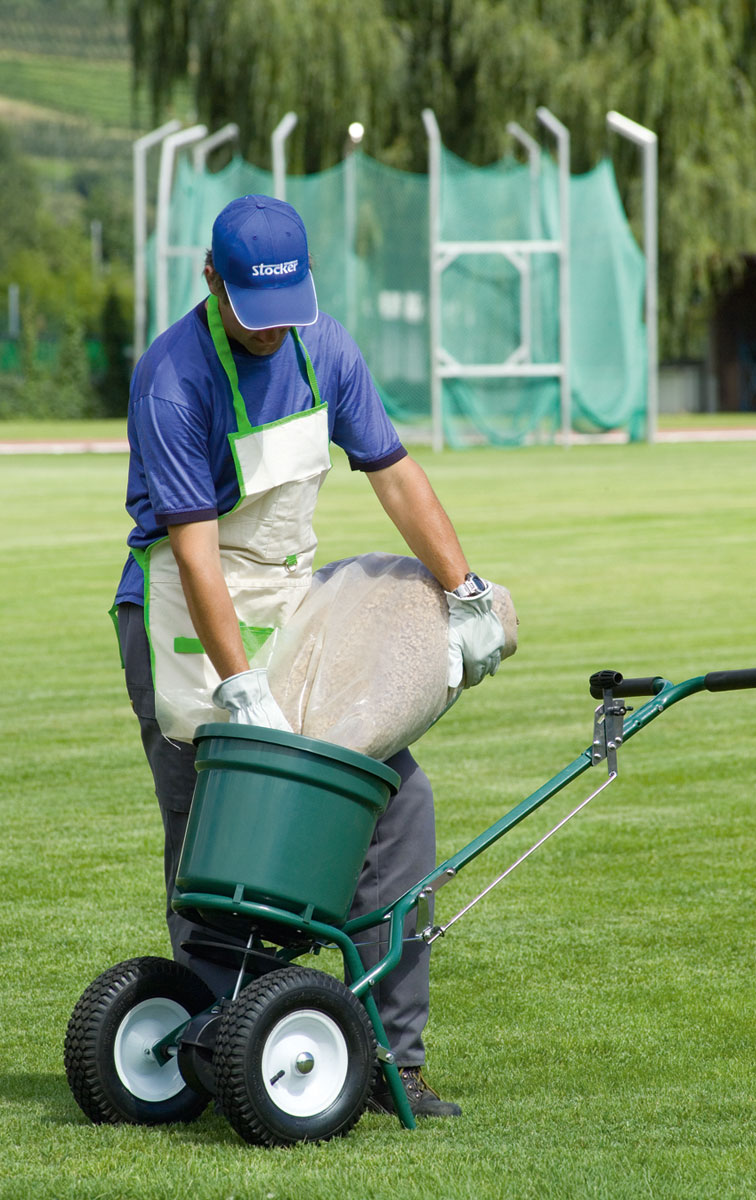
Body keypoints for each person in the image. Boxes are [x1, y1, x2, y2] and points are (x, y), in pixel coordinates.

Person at [114, 194, 505, 1119]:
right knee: (219, 841)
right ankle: (220, 1057)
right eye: (254, 315)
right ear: (212, 280)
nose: (270, 334)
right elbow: (197, 551)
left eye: (284, 313)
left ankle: (385, 1061)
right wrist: (238, 684)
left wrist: (465, 590)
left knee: (396, 803)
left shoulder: (322, 345)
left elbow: (394, 473)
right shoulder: (174, 378)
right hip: (184, 614)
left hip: (291, 602)